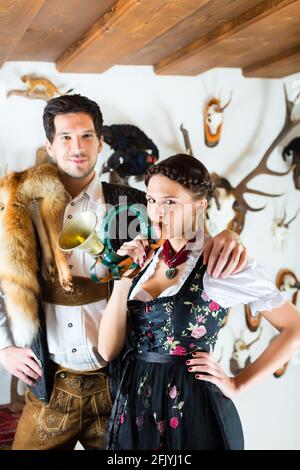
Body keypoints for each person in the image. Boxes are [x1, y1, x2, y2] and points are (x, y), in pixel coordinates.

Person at [0, 95, 248, 450]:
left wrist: (229, 234)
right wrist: (3, 347)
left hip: (121, 387)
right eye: (66, 137)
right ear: (49, 145)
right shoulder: (18, 208)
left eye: (87, 136)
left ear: (101, 143)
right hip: (49, 388)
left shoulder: (136, 204)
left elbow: (184, 231)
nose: (77, 147)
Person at [99, 154, 300, 450]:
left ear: (200, 205)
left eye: (169, 203)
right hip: (135, 409)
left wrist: (238, 384)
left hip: (192, 412)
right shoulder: (144, 259)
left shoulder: (221, 263)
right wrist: (122, 279)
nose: (156, 213)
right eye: (151, 201)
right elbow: (107, 350)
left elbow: (294, 327)